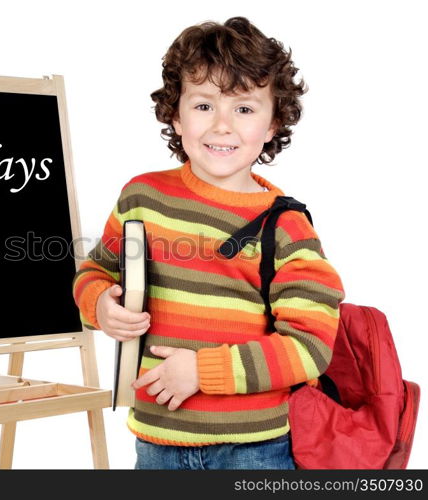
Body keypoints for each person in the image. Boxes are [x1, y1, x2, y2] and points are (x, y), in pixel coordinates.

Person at [72, 16, 345, 470]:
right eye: (203, 106)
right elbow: (95, 272)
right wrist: (100, 305)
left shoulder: (286, 226)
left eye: (243, 108)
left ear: (273, 122)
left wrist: (203, 372)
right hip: (157, 442)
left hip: (255, 450)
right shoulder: (142, 198)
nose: (222, 126)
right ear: (175, 116)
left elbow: (310, 345)